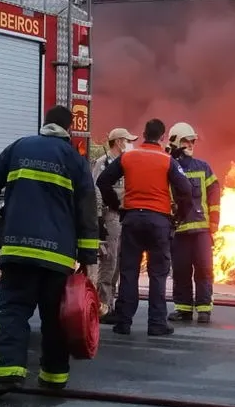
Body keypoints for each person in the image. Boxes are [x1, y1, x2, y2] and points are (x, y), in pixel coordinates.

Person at [0, 106, 99, 400]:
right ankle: (54, 378)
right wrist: (88, 258)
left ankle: (8, 373)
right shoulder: (75, 161)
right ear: (69, 130)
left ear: (44, 125)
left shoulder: (19, 147)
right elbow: (87, 211)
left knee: (13, 310)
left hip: (18, 249)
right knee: (56, 317)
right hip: (58, 256)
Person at [96, 118, 194, 336]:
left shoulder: (128, 156)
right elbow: (186, 189)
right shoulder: (167, 160)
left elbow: (103, 181)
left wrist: (117, 205)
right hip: (159, 222)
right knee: (157, 274)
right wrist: (178, 216)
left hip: (131, 220)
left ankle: (123, 323)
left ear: (143, 134)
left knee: (129, 272)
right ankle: (157, 323)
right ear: (162, 137)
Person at [165, 122, 221, 324]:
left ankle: (204, 309)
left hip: (201, 231)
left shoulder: (203, 167)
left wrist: (214, 221)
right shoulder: (168, 166)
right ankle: (183, 308)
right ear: (176, 142)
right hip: (178, 230)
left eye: (192, 141)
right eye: (186, 141)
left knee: (204, 269)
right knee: (180, 270)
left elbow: (214, 193)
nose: (190, 144)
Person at [91, 127, 138, 325]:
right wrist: (100, 219)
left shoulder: (125, 163)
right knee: (109, 261)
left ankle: (111, 302)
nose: (130, 143)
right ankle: (103, 305)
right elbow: (96, 191)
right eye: (127, 140)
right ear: (119, 142)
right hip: (111, 216)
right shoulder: (104, 163)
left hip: (124, 217)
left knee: (119, 262)